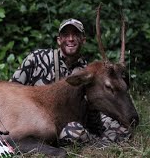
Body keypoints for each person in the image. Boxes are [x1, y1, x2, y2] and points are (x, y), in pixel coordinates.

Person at [10, 18, 130, 146]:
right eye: (65, 35)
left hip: (70, 123)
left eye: (76, 35)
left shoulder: (88, 72)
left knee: (122, 130)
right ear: (58, 40)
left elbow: (93, 107)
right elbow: (12, 91)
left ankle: (94, 142)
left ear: (83, 40)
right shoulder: (37, 58)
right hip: (36, 122)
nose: (71, 39)